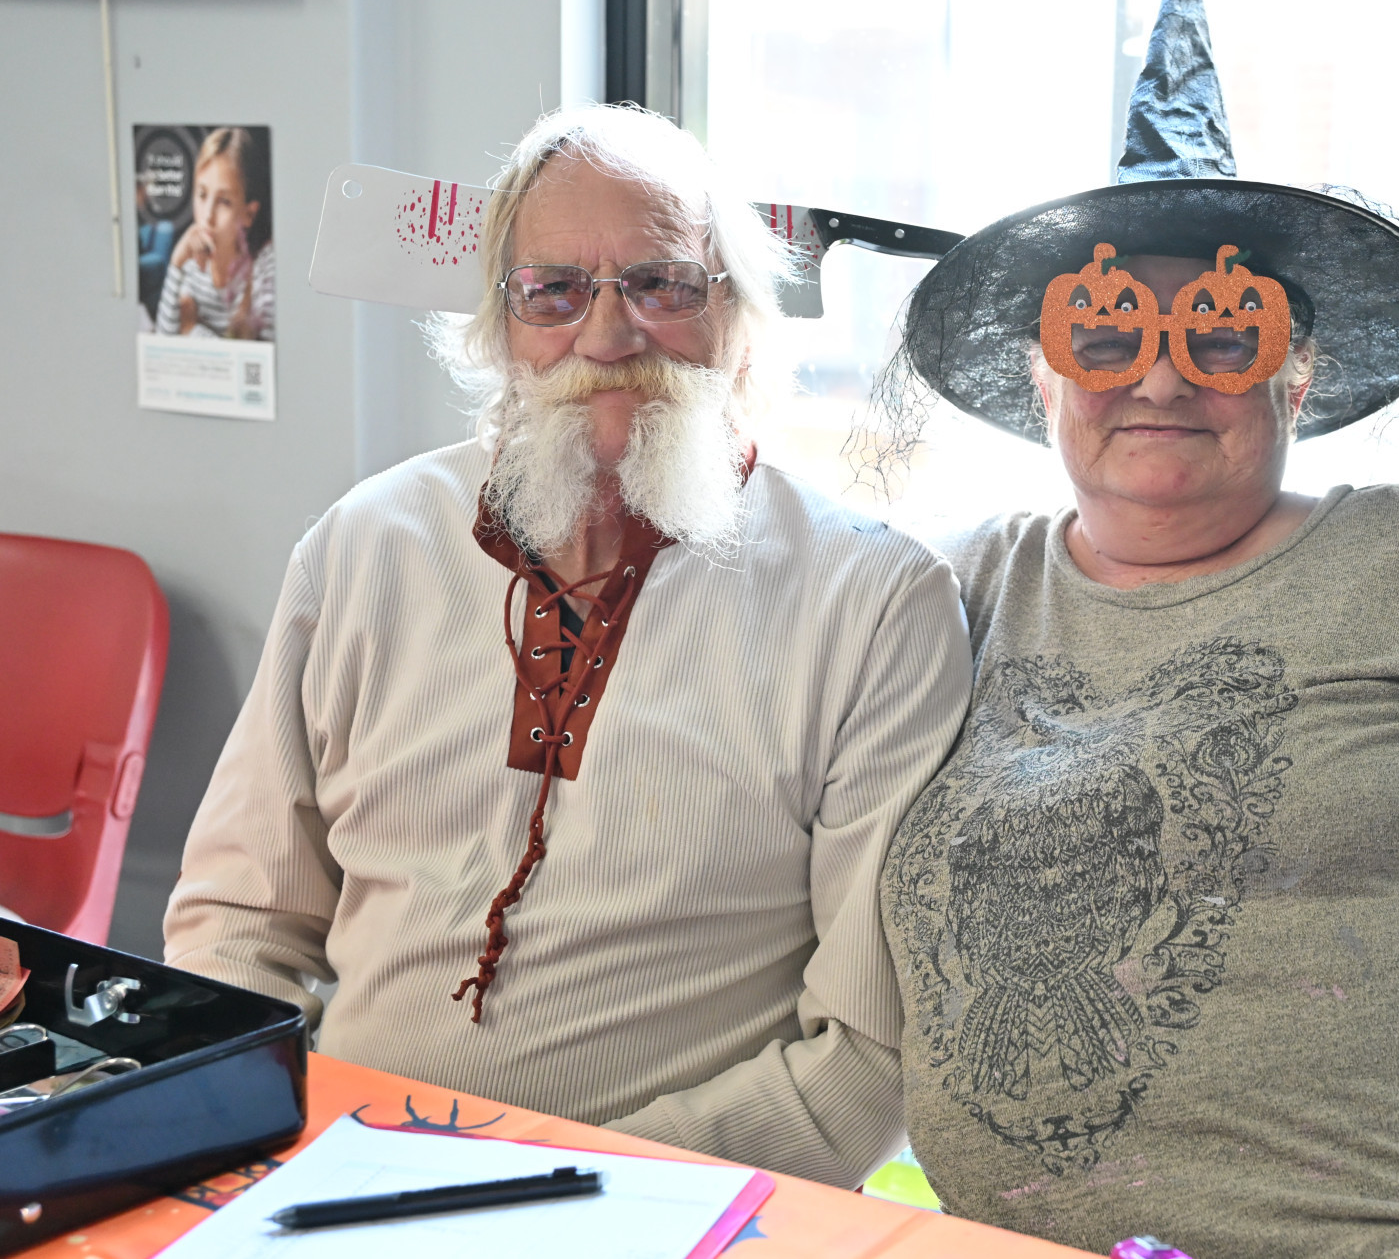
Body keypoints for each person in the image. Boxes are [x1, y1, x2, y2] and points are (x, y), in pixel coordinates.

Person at [876, 0, 1399, 1257]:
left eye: (1221, 333)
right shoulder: (950, 594)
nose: (1161, 381)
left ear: (1294, 378)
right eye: (1106, 334)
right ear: (1043, 378)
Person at [164, 105, 972, 1188]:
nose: (606, 337)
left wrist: (553, 1192)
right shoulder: (365, 545)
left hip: (667, 1212)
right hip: (333, 1175)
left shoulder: (874, 602)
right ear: (500, 327)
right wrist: (260, 1134)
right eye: (552, 291)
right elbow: (239, 917)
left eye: (661, 285)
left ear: (737, 316)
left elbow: (867, 1059)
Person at [153, 126, 276, 342]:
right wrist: (176, 263)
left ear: (248, 214)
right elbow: (164, 343)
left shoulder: (265, 266)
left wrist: (192, 330)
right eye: (202, 195)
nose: (207, 216)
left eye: (224, 201)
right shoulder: (191, 265)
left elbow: (263, 355)